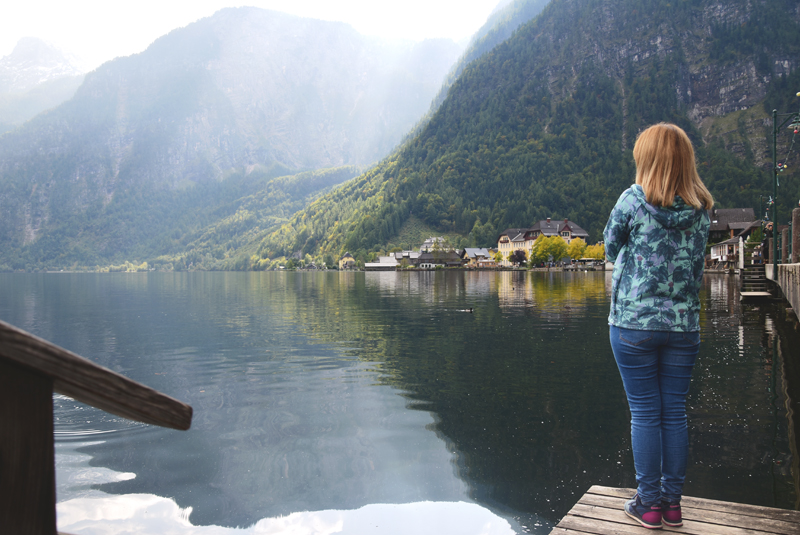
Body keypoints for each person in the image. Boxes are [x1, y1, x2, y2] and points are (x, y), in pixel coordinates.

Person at [604, 123, 713, 529]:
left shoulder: (632, 200)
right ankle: (672, 505)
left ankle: (647, 504)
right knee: (674, 413)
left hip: (633, 324)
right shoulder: (702, 209)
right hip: (683, 325)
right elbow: (697, 267)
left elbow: (610, 247)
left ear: (647, 159)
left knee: (645, 413)